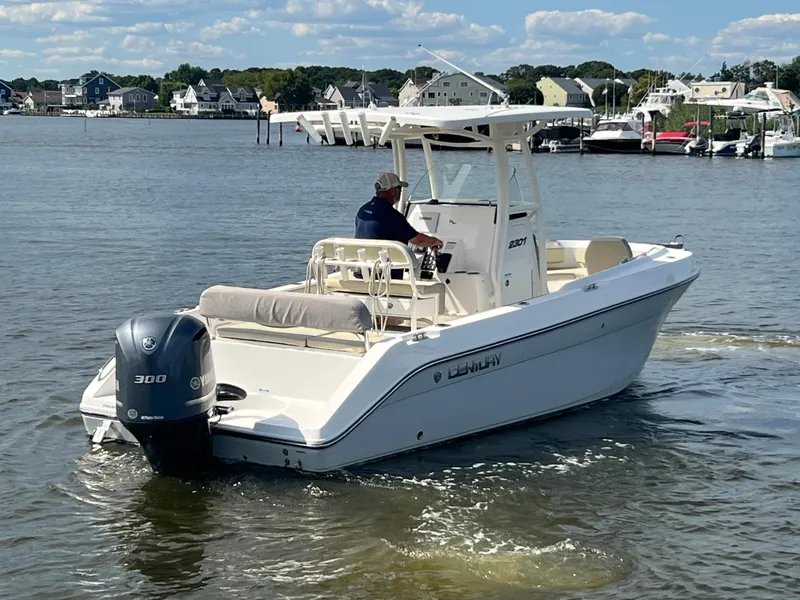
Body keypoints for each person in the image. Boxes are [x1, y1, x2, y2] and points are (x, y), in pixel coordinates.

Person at [355, 172, 443, 250]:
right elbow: (418, 240)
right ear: (393, 191)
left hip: (365, 264)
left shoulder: (362, 210)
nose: (400, 193)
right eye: (400, 189)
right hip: (386, 266)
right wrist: (435, 241)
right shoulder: (391, 215)